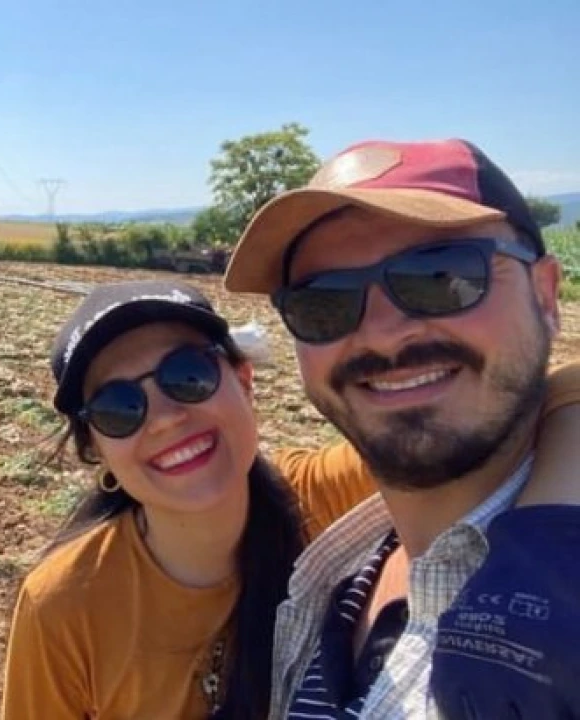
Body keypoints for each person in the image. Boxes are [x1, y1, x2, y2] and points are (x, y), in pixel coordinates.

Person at [0, 278, 580, 719]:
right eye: (119, 408)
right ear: (97, 450)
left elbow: (534, 394)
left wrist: (544, 539)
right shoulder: (65, 606)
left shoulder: (325, 496)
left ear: (243, 379)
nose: (167, 418)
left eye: (187, 375)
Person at [223, 138, 580, 718]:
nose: (384, 333)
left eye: (441, 276)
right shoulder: (330, 576)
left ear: (545, 295)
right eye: (323, 303)